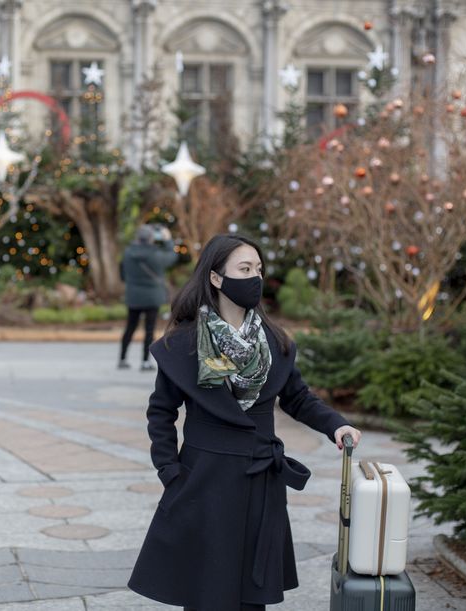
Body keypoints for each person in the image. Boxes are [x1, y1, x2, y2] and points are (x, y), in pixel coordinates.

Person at [128, 234, 362, 611]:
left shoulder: (274, 341)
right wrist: (170, 471)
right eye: (244, 269)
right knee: (207, 588)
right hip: (204, 478)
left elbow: (298, 397)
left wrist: (336, 425)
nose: (255, 277)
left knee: (252, 589)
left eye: (259, 269)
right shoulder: (185, 343)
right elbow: (161, 413)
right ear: (217, 278)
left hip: (260, 479)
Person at [119, 224, 177, 371]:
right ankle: (145, 362)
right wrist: (168, 239)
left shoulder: (127, 253)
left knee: (130, 327)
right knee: (149, 330)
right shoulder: (156, 254)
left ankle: (122, 359)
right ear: (151, 238)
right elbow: (172, 256)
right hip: (152, 297)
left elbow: (122, 275)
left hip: (133, 296)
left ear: (138, 237)